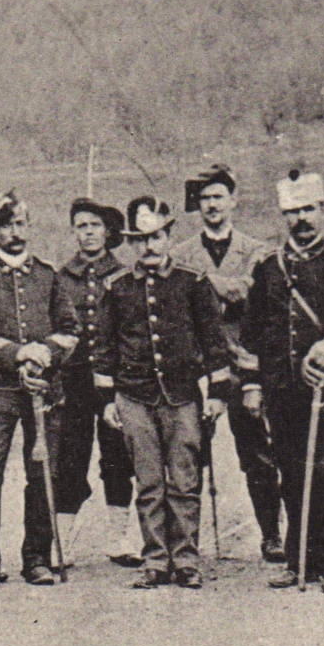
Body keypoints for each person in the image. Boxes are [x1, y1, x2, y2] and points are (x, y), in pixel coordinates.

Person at [240, 170, 324, 592]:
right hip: (281, 387)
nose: (302, 219)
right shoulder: (267, 267)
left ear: (322, 210)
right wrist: (252, 384)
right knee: (291, 473)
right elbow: (252, 330)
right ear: (284, 215)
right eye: (293, 211)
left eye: (308, 209)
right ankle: (301, 562)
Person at [94, 196, 233, 589]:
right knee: (149, 481)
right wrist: (107, 401)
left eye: (155, 236)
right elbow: (104, 348)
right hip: (135, 397)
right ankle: (155, 559)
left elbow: (214, 341)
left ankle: (187, 559)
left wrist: (219, 392)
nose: (148, 246)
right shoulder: (116, 287)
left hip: (183, 395)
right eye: (138, 239)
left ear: (169, 235)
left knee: (185, 481)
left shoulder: (193, 282)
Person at [0, 190, 79, 592]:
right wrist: (17, 354)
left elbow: (70, 330)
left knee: (43, 472)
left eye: (21, 223)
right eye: (7, 225)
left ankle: (38, 559)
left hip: (44, 390)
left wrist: (43, 354)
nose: (15, 232)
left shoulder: (49, 275)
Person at [171, 163, 282, 562]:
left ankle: (271, 534)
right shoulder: (179, 253)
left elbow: (252, 298)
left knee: (256, 453)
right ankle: (184, 541)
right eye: (204, 199)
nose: (211, 205)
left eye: (218, 197)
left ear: (234, 201)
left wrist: (206, 284)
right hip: (196, 368)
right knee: (187, 455)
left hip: (243, 365)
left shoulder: (258, 251)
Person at [56, 197, 139, 566]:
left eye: (94, 226)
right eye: (81, 226)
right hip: (73, 384)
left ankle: (120, 539)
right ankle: (63, 544)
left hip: (113, 383)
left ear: (108, 232)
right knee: (71, 459)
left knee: (117, 458)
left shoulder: (123, 275)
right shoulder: (62, 277)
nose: (87, 233)